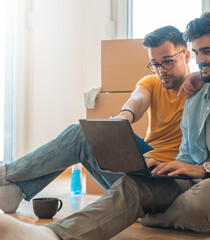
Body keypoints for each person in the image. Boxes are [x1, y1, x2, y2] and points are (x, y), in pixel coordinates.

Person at [0, 11, 210, 240]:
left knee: (207, 198)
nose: (199, 60)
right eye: (196, 52)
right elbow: (185, 153)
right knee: (138, 183)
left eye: (206, 52)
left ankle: (144, 213)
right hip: (192, 182)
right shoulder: (195, 96)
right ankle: (54, 235)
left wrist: (204, 170)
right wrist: (165, 164)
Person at [0, 25, 195, 213]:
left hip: (166, 179)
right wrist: (123, 117)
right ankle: (16, 191)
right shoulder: (151, 82)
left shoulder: (202, 89)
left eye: (168, 61)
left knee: (80, 135)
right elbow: (137, 100)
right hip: (141, 168)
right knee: (85, 137)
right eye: (155, 64)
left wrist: (199, 79)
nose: (161, 70)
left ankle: (7, 174)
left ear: (186, 56)